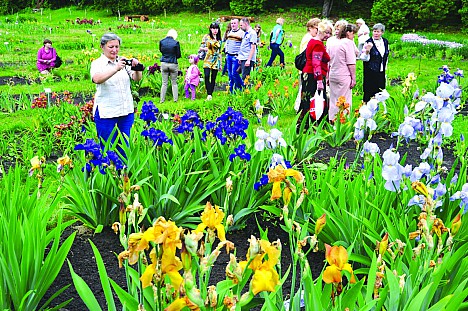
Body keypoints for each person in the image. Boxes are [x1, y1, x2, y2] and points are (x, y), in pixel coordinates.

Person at [90, 33, 143, 153]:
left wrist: (137, 67)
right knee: (107, 148)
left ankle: (123, 171)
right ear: (102, 47)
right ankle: (108, 171)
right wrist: (115, 68)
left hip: (125, 111)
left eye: (117, 47)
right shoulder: (97, 64)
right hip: (107, 112)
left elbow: (136, 78)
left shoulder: (122, 61)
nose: (114, 50)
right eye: (111, 47)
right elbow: (97, 79)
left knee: (124, 147)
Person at [297, 20, 332, 131]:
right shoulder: (317, 44)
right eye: (326, 32)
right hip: (314, 76)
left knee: (307, 99)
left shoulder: (313, 41)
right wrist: (319, 81)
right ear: (320, 31)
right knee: (315, 100)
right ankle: (315, 125)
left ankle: (304, 125)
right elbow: (316, 63)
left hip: (308, 73)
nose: (328, 36)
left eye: (330, 33)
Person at [327, 24, 357, 122]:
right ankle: (342, 122)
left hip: (332, 74)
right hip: (343, 74)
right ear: (348, 33)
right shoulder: (347, 43)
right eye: (353, 34)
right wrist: (353, 78)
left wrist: (327, 76)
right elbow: (351, 63)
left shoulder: (332, 42)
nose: (353, 36)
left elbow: (328, 60)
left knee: (333, 100)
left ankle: (332, 120)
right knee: (344, 100)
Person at [295, 18, 321, 111]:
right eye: (316, 29)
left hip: (305, 68)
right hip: (306, 68)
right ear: (310, 28)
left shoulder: (309, 37)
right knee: (304, 90)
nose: (317, 31)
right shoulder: (309, 39)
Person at [360, 23, 389, 103]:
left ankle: (380, 108)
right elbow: (363, 58)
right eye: (374, 31)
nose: (376, 33)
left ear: (382, 33)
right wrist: (367, 51)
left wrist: (384, 67)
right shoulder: (368, 42)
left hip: (381, 71)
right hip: (370, 71)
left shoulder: (385, 42)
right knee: (369, 90)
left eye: (378, 32)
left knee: (380, 90)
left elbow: (386, 56)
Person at [159, 29, 182, 103]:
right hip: (173, 63)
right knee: (174, 83)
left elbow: (161, 50)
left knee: (164, 83)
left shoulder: (162, 41)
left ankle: (162, 100)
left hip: (164, 63)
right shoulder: (176, 43)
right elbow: (178, 54)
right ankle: (175, 99)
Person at [202, 22, 222, 100]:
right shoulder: (206, 37)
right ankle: (209, 93)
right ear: (210, 29)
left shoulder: (219, 39)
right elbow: (201, 47)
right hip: (207, 59)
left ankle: (210, 94)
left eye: (216, 28)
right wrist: (205, 49)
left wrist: (220, 64)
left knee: (213, 77)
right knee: (207, 76)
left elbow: (219, 52)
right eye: (213, 28)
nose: (215, 30)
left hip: (216, 60)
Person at [224, 18, 244, 92]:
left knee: (234, 73)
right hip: (229, 55)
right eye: (232, 23)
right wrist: (226, 52)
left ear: (238, 24)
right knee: (230, 74)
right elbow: (227, 42)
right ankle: (232, 90)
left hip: (236, 56)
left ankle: (241, 87)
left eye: (234, 23)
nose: (233, 25)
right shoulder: (230, 32)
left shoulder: (241, 33)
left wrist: (239, 56)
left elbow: (243, 46)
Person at [238, 17, 257, 84]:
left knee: (245, 77)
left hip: (247, 58)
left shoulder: (252, 33)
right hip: (243, 57)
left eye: (241, 25)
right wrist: (240, 57)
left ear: (246, 24)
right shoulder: (245, 33)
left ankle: (245, 91)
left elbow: (253, 47)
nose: (240, 27)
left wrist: (248, 60)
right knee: (240, 74)